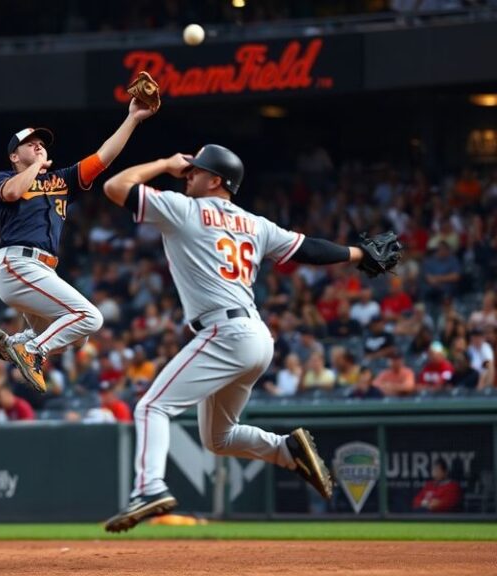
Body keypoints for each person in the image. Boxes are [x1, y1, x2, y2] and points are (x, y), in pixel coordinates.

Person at [100, 144, 397, 532]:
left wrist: (164, 164)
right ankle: (287, 451)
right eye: (188, 169)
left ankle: (149, 488)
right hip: (256, 338)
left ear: (217, 180)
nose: (188, 173)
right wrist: (358, 254)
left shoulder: (183, 209)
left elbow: (115, 186)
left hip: (226, 332)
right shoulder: (255, 223)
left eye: (197, 170)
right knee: (219, 439)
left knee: (151, 407)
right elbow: (309, 249)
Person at [0, 97, 158, 393]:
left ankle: (9, 345)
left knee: (78, 337)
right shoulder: (3, 177)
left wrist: (132, 118)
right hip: (18, 264)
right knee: (90, 317)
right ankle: (31, 350)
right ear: (14, 157)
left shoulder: (61, 180)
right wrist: (36, 167)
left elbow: (102, 158)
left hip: (42, 270)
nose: (37, 145)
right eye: (29, 143)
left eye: (40, 142)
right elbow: (13, 192)